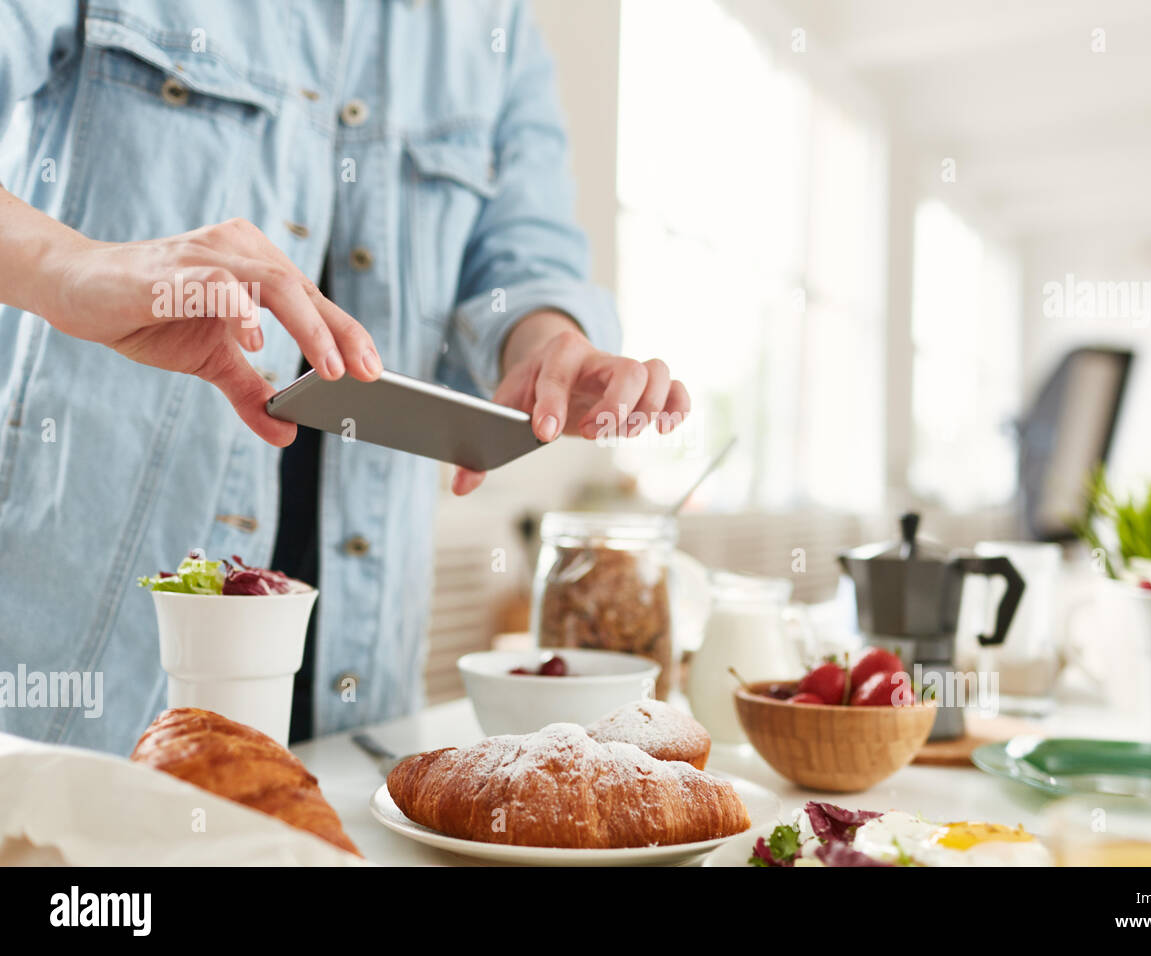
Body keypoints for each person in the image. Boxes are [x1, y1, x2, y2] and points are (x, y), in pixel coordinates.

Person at [0, 0, 688, 753]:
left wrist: (550, 344)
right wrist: (66, 268)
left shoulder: (497, 25)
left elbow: (524, 260)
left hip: (354, 696)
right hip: (76, 679)